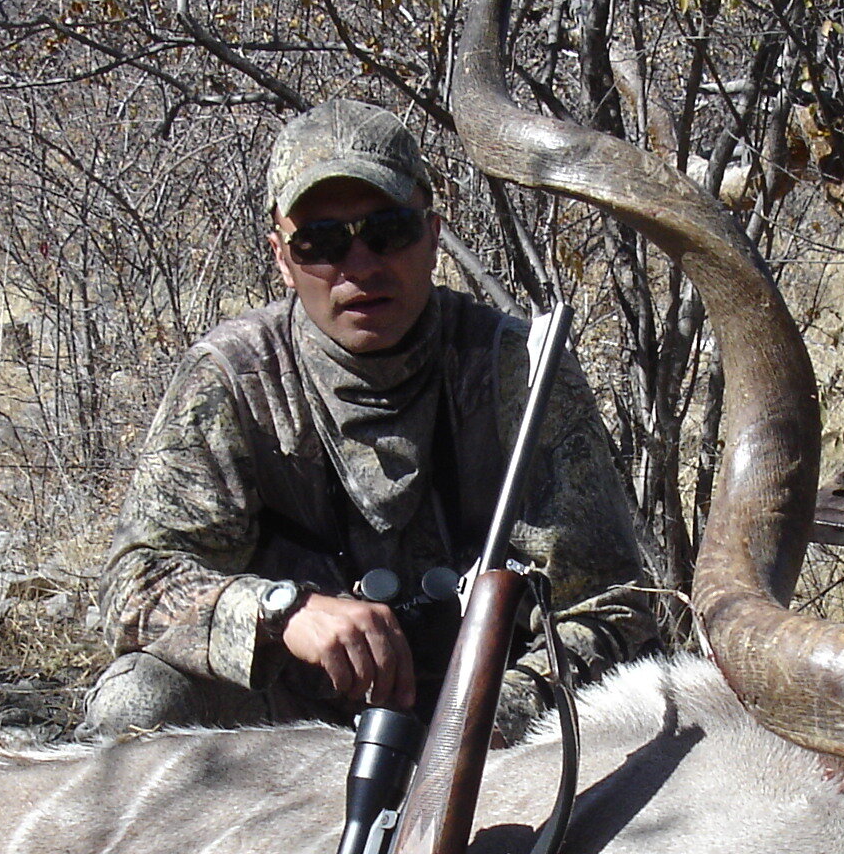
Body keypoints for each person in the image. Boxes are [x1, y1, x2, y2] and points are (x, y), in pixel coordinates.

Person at [85, 99, 659, 736]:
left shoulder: (517, 368)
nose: (360, 268)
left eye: (388, 232)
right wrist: (281, 612)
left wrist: (492, 717)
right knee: (138, 701)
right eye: (321, 243)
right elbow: (135, 587)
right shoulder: (232, 378)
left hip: (490, 729)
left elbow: (611, 603)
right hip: (283, 737)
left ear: (433, 234)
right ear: (281, 255)